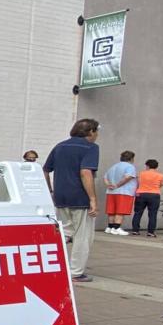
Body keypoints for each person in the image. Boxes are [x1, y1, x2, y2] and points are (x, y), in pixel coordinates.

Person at [43, 119, 100, 283]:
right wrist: (93, 199)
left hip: (60, 197)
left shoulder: (60, 146)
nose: (97, 135)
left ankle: (50, 263)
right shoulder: (91, 148)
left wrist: (51, 191)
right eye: (96, 132)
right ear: (90, 132)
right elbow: (86, 172)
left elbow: (46, 170)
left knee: (64, 232)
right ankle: (75, 272)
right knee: (83, 236)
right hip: (80, 197)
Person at [103, 151, 136, 235]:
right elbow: (128, 177)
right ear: (131, 158)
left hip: (111, 192)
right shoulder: (130, 166)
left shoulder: (113, 166)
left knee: (112, 210)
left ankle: (109, 227)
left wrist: (109, 185)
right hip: (124, 191)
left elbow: (105, 177)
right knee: (120, 210)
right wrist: (117, 185)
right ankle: (116, 228)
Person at [131, 159, 163, 237]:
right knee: (153, 214)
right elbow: (161, 184)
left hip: (141, 194)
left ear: (147, 166)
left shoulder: (141, 174)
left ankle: (135, 230)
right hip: (154, 195)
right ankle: (150, 232)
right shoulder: (160, 175)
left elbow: (138, 183)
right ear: (156, 167)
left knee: (138, 213)